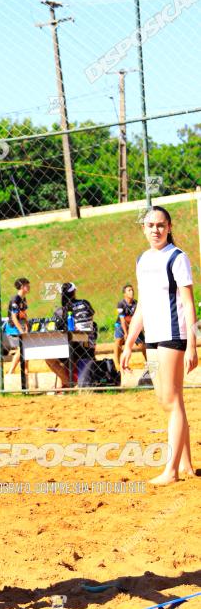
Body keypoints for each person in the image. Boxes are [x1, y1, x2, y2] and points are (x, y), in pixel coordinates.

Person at [121, 205, 198, 485]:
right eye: (151, 225)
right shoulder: (142, 259)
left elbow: (189, 305)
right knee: (167, 400)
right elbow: (142, 305)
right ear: (143, 228)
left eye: (161, 225)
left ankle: (171, 471)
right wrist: (130, 343)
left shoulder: (177, 258)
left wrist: (192, 344)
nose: (156, 229)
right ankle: (187, 465)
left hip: (173, 336)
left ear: (169, 227)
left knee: (171, 399)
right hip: (152, 338)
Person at [45, 282, 97, 388]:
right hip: (88, 345)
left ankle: (68, 383)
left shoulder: (61, 311)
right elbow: (92, 322)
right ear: (74, 292)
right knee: (69, 354)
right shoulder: (85, 303)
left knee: (49, 358)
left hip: (71, 346)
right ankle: (68, 383)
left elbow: (57, 328)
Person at [114, 283, 146, 371]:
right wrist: (126, 333)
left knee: (142, 345)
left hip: (134, 325)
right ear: (124, 294)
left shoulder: (136, 303)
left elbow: (140, 317)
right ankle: (117, 364)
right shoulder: (121, 304)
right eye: (129, 290)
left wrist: (142, 329)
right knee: (118, 341)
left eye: (132, 290)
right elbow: (122, 320)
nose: (132, 292)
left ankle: (148, 362)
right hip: (121, 325)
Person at [6, 278, 30, 376]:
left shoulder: (23, 299)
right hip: (13, 326)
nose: (29, 287)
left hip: (21, 325)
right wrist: (21, 330)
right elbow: (14, 317)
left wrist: (27, 326)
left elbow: (24, 314)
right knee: (22, 348)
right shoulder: (15, 299)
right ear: (21, 287)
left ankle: (26, 370)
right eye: (27, 285)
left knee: (26, 346)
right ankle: (11, 371)